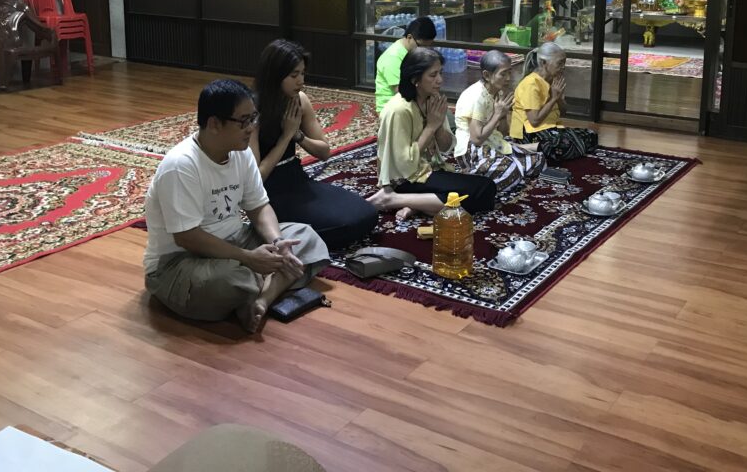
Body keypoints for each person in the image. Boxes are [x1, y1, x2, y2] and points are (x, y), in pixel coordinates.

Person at [143, 79, 329, 336]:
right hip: (181, 262)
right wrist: (249, 258)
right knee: (231, 279)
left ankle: (261, 299)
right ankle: (267, 281)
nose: (251, 128)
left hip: (235, 242)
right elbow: (187, 237)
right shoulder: (181, 165)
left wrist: (277, 244)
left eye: (253, 118)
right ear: (214, 124)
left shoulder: (241, 153)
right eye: (243, 121)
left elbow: (259, 206)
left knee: (305, 237)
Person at [251, 39, 378, 250]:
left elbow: (324, 152)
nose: (301, 81)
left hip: (297, 179)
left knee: (367, 213)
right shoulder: (253, 110)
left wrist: (298, 135)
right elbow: (256, 179)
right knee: (346, 225)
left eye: (302, 73)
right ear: (275, 75)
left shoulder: (299, 100)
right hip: (270, 192)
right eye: (294, 75)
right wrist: (286, 137)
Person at [367, 48, 497, 220]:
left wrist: (438, 126)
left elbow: (445, 147)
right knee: (479, 191)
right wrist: (431, 126)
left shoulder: (432, 99)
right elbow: (404, 165)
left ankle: (417, 205)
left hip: (429, 170)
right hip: (403, 180)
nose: (440, 80)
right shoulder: (398, 110)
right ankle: (391, 199)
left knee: (487, 188)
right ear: (415, 79)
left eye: (440, 73)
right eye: (433, 75)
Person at [454, 50, 545, 193]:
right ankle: (475, 184)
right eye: (503, 74)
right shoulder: (477, 97)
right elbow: (476, 139)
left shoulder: (499, 92)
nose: (508, 78)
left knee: (539, 160)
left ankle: (509, 166)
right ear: (487, 75)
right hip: (472, 149)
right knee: (511, 169)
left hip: (494, 142)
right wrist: (497, 114)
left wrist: (503, 115)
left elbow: (503, 133)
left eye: (510, 72)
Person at [509, 42, 598, 163]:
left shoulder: (553, 80)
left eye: (564, 63)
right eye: (559, 63)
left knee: (591, 135)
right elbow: (534, 121)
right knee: (561, 145)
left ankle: (543, 149)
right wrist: (553, 99)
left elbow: (563, 112)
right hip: (529, 132)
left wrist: (559, 98)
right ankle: (521, 147)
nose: (563, 67)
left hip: (551, 128)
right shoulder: (530, 84)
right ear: (543, 63)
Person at [374, 15, 437, 113]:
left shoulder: (412, 51)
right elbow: (401, 93)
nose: (425, 51)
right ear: (409, 37)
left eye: (428, 47)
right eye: (421, 46)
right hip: (392, 108)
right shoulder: (393, 57)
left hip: (412, 99)